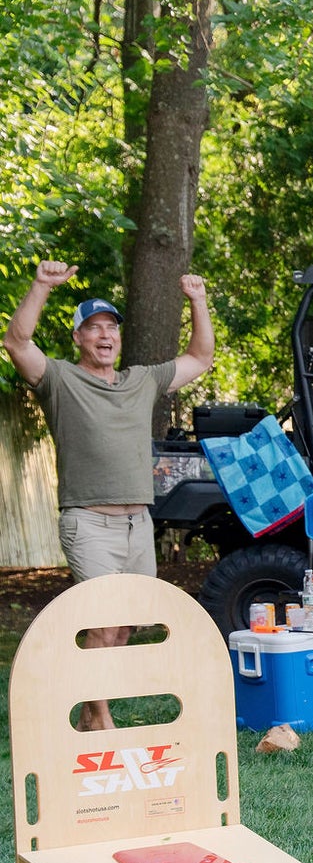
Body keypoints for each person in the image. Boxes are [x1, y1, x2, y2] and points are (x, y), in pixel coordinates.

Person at [4, 261, 215, 729]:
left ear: (118, 338)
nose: (104, 335)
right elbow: (17, 343)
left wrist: (197, 300)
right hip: (88, 523)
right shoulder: (59, 380)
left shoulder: (142, 380)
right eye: (93, 328)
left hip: (138, 524)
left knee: (124, 625)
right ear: (78, 337)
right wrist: (41, 285)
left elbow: (200, 358)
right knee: (100, 622)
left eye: (111, 328)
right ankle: (103, 721)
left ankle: (87, 718)